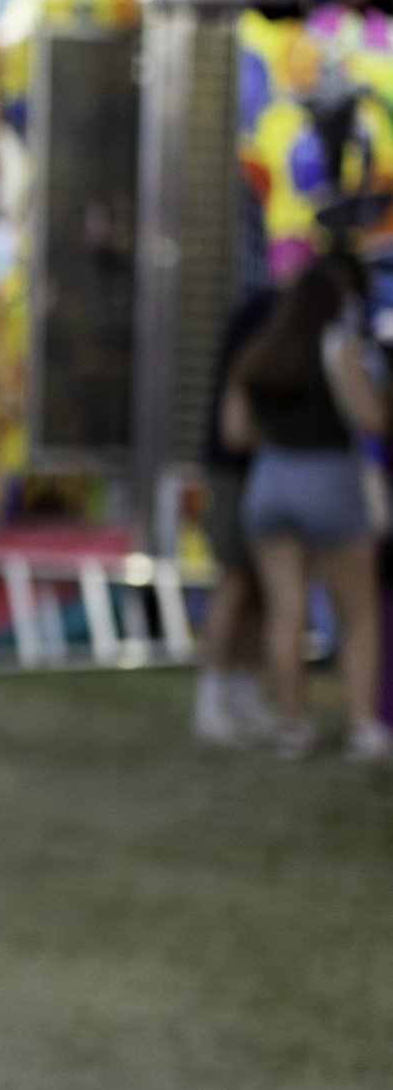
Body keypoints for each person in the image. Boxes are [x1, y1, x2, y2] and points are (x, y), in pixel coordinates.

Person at [228, 248, 389, 761]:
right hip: (331, 479)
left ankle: (293, 727)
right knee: (357, 613)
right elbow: (371, 420)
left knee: (284, 611)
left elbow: (236, 433)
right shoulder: (340, 345)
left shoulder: (261, 349)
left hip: (270, 479)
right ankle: (363, 729)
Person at [193, 278, 280, 747]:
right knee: (235, 579)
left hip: (263, 471)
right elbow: (234, 432)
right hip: (234, 473)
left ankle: (244, 697)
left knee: (263, 587)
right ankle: (210, 700)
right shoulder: (262, 314)